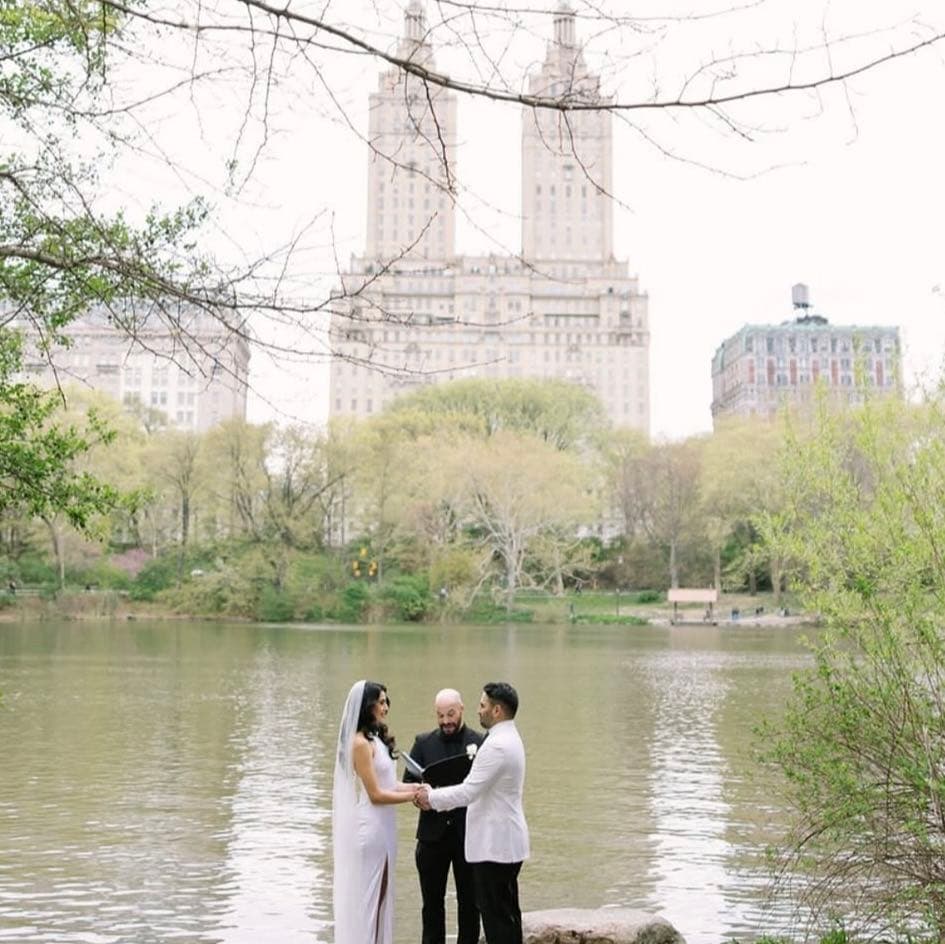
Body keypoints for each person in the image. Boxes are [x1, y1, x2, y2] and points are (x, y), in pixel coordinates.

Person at [417, 682, 529, 944]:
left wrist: (430, 797)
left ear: (497, 710)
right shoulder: (510, 737)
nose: (479, 711)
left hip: (495, 846)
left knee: (496, 919)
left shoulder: (496, 745)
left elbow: (469, 792)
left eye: (482, 706)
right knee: (508, 913)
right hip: (506, 843)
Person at [332, 680, 419, 944]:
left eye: (385, 701)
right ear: (367, 706)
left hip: (385, 827)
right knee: (370, 897)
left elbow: (389, 785)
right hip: (371, 828)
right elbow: (376, 795)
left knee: (382, 894)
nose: (385, 707)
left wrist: (417, 786)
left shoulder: (376, 739)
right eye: (380, 702)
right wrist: (412, 797)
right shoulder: (359, 743)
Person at [404, 688, 484, 944]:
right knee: (431, 905)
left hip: (467, 835)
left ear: (461, 709)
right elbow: (409, 785)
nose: (446, 721)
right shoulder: (422, 742)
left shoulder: (481, 742)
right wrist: (420, 800)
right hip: (431, 837)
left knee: (470, 904)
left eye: (450, 714)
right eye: (440, 715)